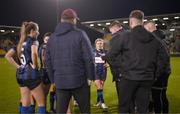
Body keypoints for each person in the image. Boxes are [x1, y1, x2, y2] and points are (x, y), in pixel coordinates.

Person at [102, 10, 165, 113]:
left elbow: (110, 56)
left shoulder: (125, 36)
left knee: (124, 107)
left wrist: (123, 68)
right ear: (142, 21)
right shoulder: (154, 38)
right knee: (142, 108)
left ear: (131, 22)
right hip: (146, 78)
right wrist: (154, 74)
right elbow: (163, 59)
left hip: (129, 78)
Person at [45, 8, 95, 113]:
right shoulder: (80, 34)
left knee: (61, 111)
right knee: (85, 111)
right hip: (79, 81)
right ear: (73, 20)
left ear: (62, 20)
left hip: (60, 82)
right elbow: (89, 58)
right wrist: (91, 77)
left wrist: (53, 80)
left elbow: (47, 62)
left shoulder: (52, 38)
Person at [15, 21, 45, 113]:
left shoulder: (22, 42)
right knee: (41, 104)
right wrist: (35, 66)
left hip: (20, 75)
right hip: (30, 75)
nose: (38, 33)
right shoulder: (33, 40)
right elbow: (34, 53)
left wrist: (18, 66)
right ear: (32, 31)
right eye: (37, 30)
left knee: (25, 103)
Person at [144, 21, 171, 113]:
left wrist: (155, 75)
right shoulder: (161, 38)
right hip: (164, 72)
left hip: (159, 73)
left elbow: (162, 60)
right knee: (162, 95)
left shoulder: (155, 39)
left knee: (157, 97)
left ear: (148, 28)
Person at [5, 47, 36, 113]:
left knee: (24, 95)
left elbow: (7, 56)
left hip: (20, 73)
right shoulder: (28, 44)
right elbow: (7, 56)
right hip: (28, 73)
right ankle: (29, 111)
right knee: (31, 95)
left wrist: (18, 67)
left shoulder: (18, 46)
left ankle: (21, 111)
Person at [39, 32, 57, 113]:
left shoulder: (44, 46)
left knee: (51, 90)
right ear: (44, 39)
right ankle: (49, 109)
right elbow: (43, 58)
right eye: (47, 39)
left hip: (45, 71)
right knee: (48, 92)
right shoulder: (44, 46)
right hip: (46, 71)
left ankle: (50, 109)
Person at [93, 38, 108, 110]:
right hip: (95, 72)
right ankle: (102, 102)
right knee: (99, 87)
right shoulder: (92, 52)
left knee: (101, 87)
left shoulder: (106, 52)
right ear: (95, 44)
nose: (100, 45)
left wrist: (108, 64)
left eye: (101, 43)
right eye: (98, 43)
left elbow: (110, 60)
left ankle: (98, 101)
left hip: (103, 71)